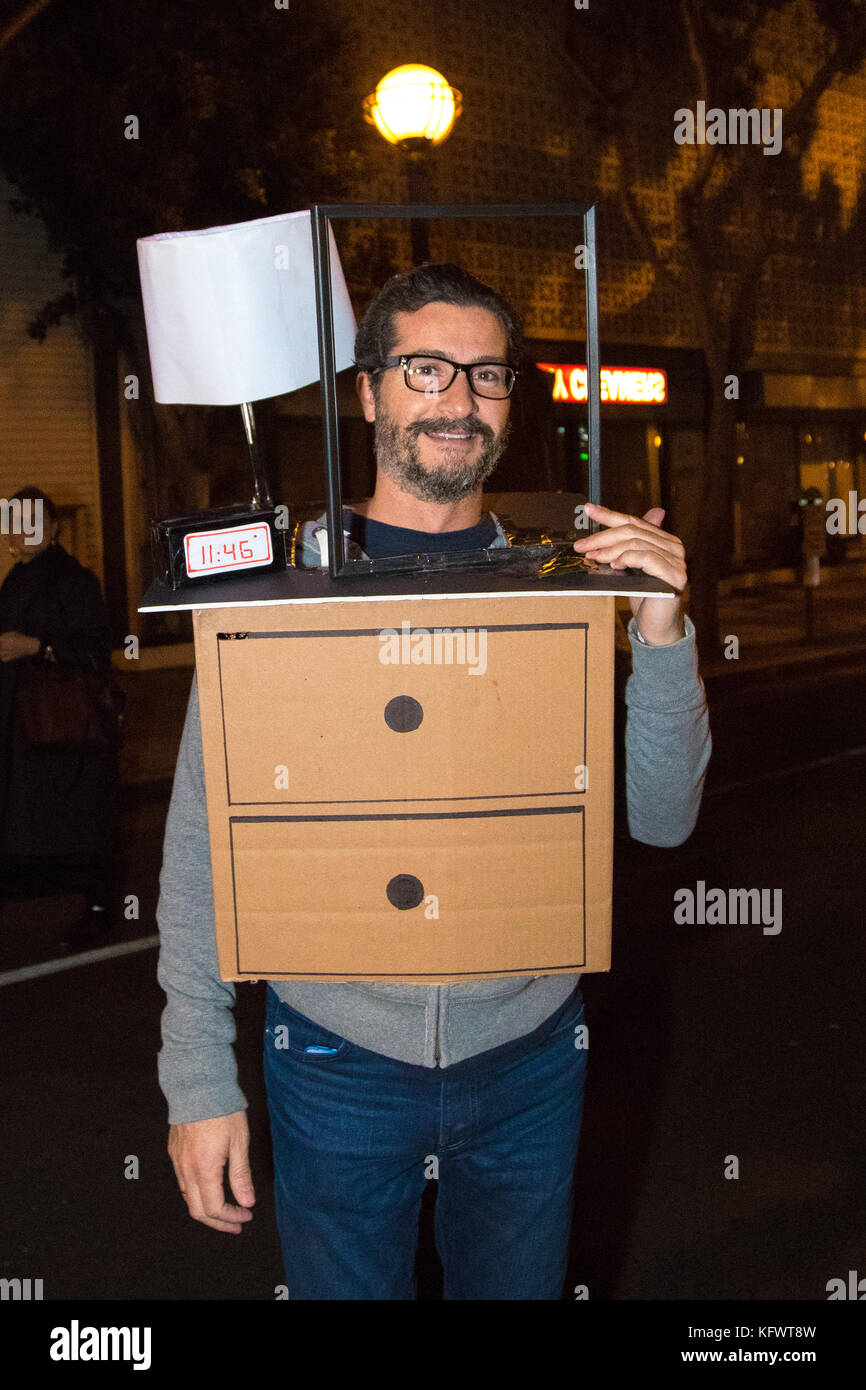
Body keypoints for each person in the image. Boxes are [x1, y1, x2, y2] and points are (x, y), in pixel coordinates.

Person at [158, 264, 712, 1299]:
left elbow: (664, 819)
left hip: (532, 1059)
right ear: (368, 390)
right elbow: (200, 847)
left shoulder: (557, 588)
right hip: (335, 1058)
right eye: (426, 368)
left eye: (486, 374)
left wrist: (662, 631)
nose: (457, 400)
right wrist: (196, 1079)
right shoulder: (281, 593)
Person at [0, 486, 118, 950]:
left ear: (50, 528)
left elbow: (97, 648)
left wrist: (38, 647)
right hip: (21, 725)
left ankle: (98, 907)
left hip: (62, 728)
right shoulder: (17, 576)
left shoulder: (73, 579)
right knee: (25, 818)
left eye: (29, 522)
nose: (18, 531)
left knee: (73, 820)